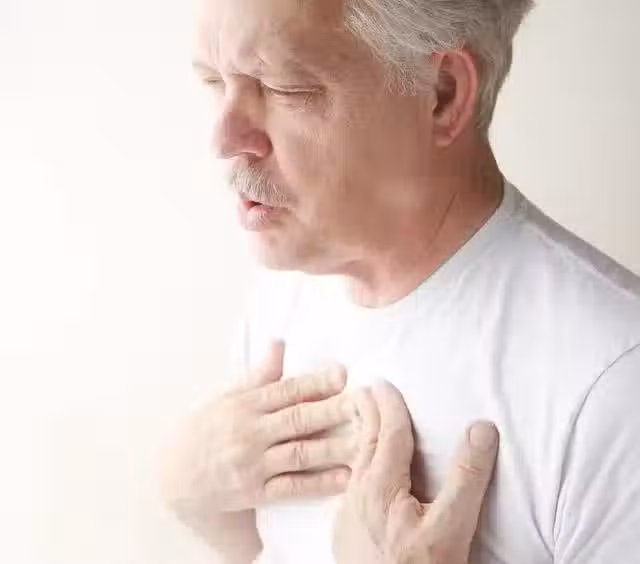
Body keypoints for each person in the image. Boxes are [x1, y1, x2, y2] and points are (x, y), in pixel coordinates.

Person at [161, 0, 640, 562]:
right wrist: (203, 508)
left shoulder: (613, 387)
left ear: (442, 94)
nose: (223, 139)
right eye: (215, 82)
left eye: (286, 88)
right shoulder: (284, 295)